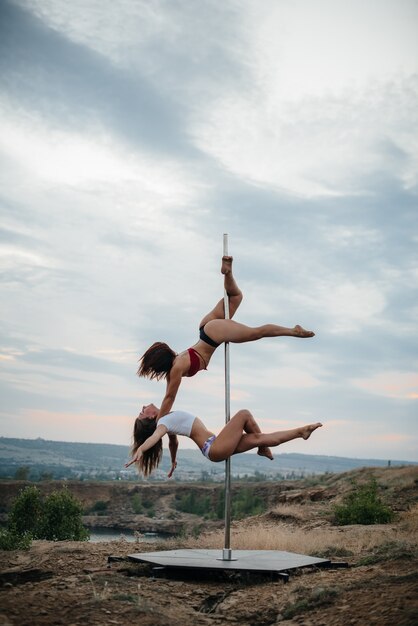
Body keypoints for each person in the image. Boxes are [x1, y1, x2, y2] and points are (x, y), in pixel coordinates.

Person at [138, 256, 315, 428]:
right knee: (236, 296)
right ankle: (227, 272)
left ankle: (293, 331)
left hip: (212, 335)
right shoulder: (175, 367)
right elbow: (167, 398)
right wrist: (159, 422)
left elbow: (169, 398)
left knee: (256, 333)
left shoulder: (175, 369)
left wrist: (157, 427)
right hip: (205, 329)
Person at [125, 403, 322, 478]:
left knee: (258, 437)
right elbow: (156, 437)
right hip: (214, 448)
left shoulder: (167, 420)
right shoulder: (163, 423)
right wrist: (141, 450)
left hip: (215, 445)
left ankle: (300, 432)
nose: (143, 406)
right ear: (151, 417)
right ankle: (264, 448)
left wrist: (174, 460)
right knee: (244, 413)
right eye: (142, 412)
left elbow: (173, 442)